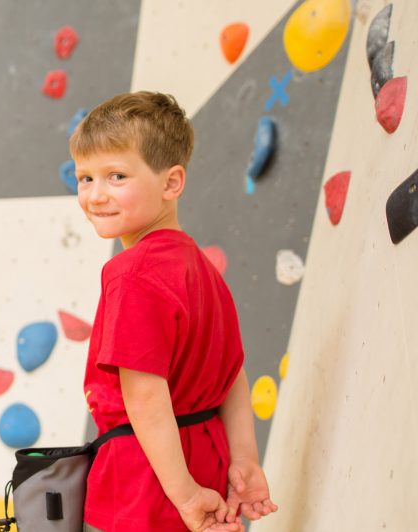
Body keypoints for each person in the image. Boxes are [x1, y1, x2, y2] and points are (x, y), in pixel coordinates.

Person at [71, 92, 278, 531]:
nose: (96, 195)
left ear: (171, 183)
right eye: (85, 178)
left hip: (151, 479)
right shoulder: (204, 271)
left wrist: (183, 493)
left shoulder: (131, 273)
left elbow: (144, 394)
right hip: (205, 463)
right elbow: (233, 378)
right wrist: (244, 461)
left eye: (116, 175)